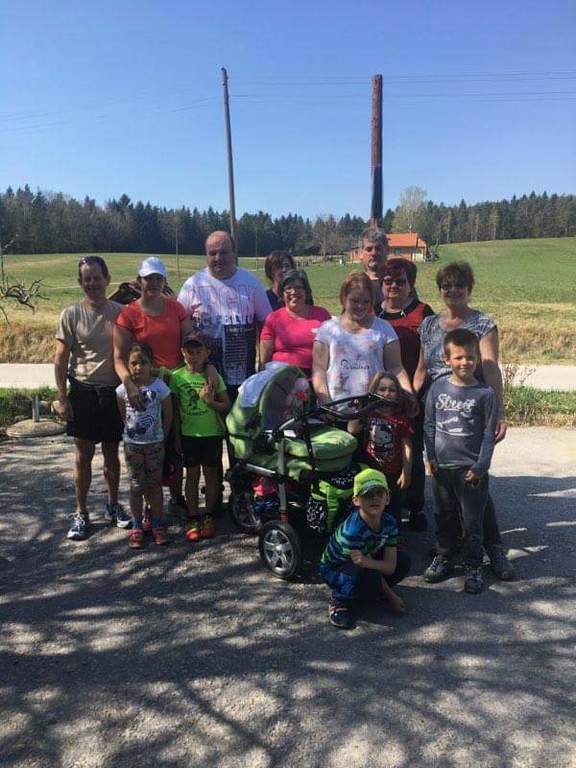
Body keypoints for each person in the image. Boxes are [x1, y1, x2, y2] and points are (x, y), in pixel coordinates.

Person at [414, 260, 514, 580]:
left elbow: (491, 367)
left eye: (459, 285)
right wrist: (409, 399)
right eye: (447, 285)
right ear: (440, 290)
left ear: (469, 289)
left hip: (471, 407)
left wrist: (499, 411)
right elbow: (421, 370)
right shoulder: (429, 325)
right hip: (438, 406)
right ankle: (449, 548)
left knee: (475, 482)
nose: (453, 290)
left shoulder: (482, 323)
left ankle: (493, 549)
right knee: (444, 484)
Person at [54, 255, 130, 541]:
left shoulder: (122, 313)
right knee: (83, 455)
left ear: (107, 279)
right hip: (83, 392)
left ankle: (113, 505)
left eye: (97, 277)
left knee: (112, 453)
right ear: (80, 282)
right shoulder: (71, 314)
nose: (92, 283)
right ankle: (81, 512)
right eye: (87, 279)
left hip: (112, 393)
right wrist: (62, 397)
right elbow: (60, 359)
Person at [113, 256, 197, 512]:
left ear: (164, 281)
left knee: (174, 443)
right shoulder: (129, 314)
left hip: (173, 384)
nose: (153, 283)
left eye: (158, 278)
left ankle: (176, 499)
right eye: (148, 278)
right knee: (147, 448)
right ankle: (150, 505)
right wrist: (129, 384)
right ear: (139, 281)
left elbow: (189, 339)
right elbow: (119, 357)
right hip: (144, 389)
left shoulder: (176, 308)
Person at [423, 329, 499, 594]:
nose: (464, 362)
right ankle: (444, 556)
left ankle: (473, 564)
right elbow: (429, 425)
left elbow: (488, 435)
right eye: (458, 357)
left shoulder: (485, 394)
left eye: (470, 357)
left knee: (472, 522)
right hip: (442, 468)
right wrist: (431, 457)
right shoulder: (438, 388)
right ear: (447, 359)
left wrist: (481, 466)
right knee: (443, 515)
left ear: (477, 359)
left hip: (471, 471)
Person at [177, 231, 272, 402]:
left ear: (234, 253)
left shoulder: (251, 283)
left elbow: (267, 325)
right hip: (201, 378)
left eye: (223, 252)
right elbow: (179, 323)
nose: (218, 258)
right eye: (212, 253)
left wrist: (263, 363)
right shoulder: (193, 285)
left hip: (242, 377)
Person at [379, 258, 434, 531]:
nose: (393, 286)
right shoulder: (374, 314)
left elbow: (429, 355)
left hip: (415, 390)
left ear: (410, 284)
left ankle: (415, 507)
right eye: (388, 281)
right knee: (385, 448)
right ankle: (388, 503)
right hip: (384, 394)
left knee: (413, 447)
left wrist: (413, 390)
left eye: (400, 281)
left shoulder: (423, 312)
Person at [319, 468, 411, 630]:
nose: (374, 498)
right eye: (367, 494)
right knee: (367, 577)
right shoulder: (352, 532)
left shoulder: (390, 522)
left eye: (379, 493)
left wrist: (367, 562)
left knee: (403, 561)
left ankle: (373, 592)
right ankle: (339, 601)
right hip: (336, 567)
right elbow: (371, 567)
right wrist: (392, 597)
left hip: (365, 560)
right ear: (356, 500)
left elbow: (390, 567)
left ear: (387, 498)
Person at [312, 272, 412, 405]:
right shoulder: (327, 329)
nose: (360, 306)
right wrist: (326, 403)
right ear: (344, 298)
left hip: (374, 408)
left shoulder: (383, 328)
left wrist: (409, 397)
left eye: (366, 301)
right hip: (336, 408)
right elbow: (319, 371)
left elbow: (396, 368)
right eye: (355, 301)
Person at [170, 334, 231, 542]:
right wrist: (177, 437)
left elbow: (226, 404)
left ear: (207, 353)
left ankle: (208, 515)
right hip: (189, 435)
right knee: (192, 476)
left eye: (198, 352)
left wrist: (210, 402)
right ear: (183, 353)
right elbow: (175, 411)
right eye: (190, 352)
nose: (194, 356)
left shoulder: (213, 376)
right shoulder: (177, 377)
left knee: (211, 475)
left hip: (211, 433)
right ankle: (193, 516)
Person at [116, 343, 172, 547]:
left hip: (155, 444)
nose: (138, 367)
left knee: (155, 486)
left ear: (151, 364)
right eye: (134, 363)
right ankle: (137, 524)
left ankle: (157, 524)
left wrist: (163, 436)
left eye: (143, 362)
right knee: (136, 486)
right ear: (128, 365)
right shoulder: (123, 389)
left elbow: (168, 414)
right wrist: (130, 432)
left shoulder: (160, 387)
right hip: (133, 446)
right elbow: (123, 413)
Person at [349, 371, 413, 528]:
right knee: (370, 505)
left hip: (393, 471)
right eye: (382, 389)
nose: (387, 393)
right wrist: (360, 409)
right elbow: (352, 429)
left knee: (392, 506)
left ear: (397, 394)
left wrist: (406, 472)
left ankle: (393, 536)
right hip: (371, 470)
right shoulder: (369, 413)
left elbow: (407, 446)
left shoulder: (400, 418)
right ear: (374, 392)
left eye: (392, 390)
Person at [259, 269, 330, 377]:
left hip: (316, 376)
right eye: (288, 288)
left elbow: (334, 349)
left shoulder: (322, 315)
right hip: (281, 378)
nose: (293, 292)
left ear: (306, 291)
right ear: (282, 294)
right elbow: (264, 359)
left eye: (298, 287)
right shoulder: (273, 318)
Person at [358, 227, 389, 309]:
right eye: (369, 249)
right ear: (360, 253)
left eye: (378, 248)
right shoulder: (356, 285)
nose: (374, 253)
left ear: (387, 251)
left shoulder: (399, 283)